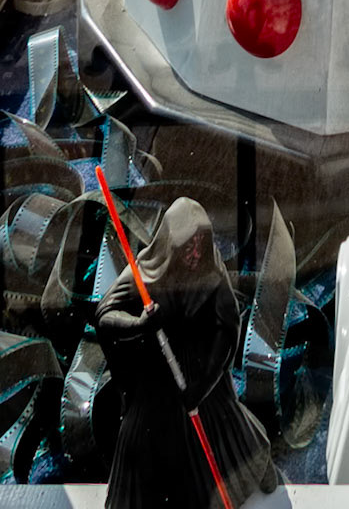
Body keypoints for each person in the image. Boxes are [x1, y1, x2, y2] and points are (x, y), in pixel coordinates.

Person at [96, 199, 278, 509]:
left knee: (229, 429)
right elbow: (105, 315)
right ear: (170, 244)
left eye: (201, 245)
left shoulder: (212, 274)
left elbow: (227, 330)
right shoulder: (145, 272)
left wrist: (203, 384)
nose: (196, 254)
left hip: (203, 375)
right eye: (187, 246)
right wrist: (139, 324)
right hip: (155, 381)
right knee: (143, 446)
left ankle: (254, 468)